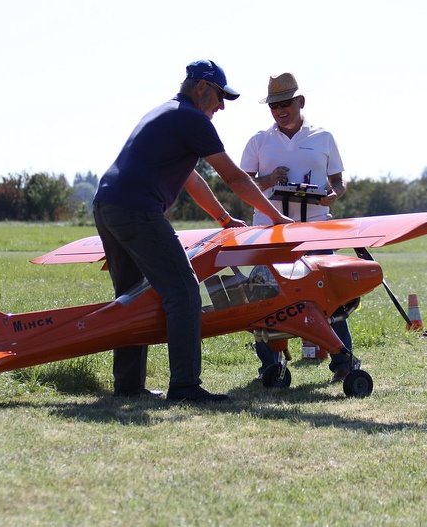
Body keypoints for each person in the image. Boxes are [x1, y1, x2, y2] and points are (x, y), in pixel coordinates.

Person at [92, 60, 294, 403]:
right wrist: (276, 218)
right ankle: (185, 386)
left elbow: (191, 178)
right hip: (137, 208)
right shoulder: (191, 118)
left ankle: (128, 386)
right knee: (184, 291)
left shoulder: (166, 113)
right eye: (219, 97)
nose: (220, 106)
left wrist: (224, 219)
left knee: (131, 296)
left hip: (107, 205)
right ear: (201, 86)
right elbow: (234, 177)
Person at [240, 72, 360, 383]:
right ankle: (270, 367)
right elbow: (242, 185)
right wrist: (270, 180)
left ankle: (344, 363)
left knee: (330, 293)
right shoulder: (258, 140)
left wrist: (333, 195)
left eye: (285, 103)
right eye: (273, 105)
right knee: (264, 295)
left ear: (300, 102)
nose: (279, 110)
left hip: (316, 228)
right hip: (269, 228)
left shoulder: (323, 137)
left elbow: (339, 181)